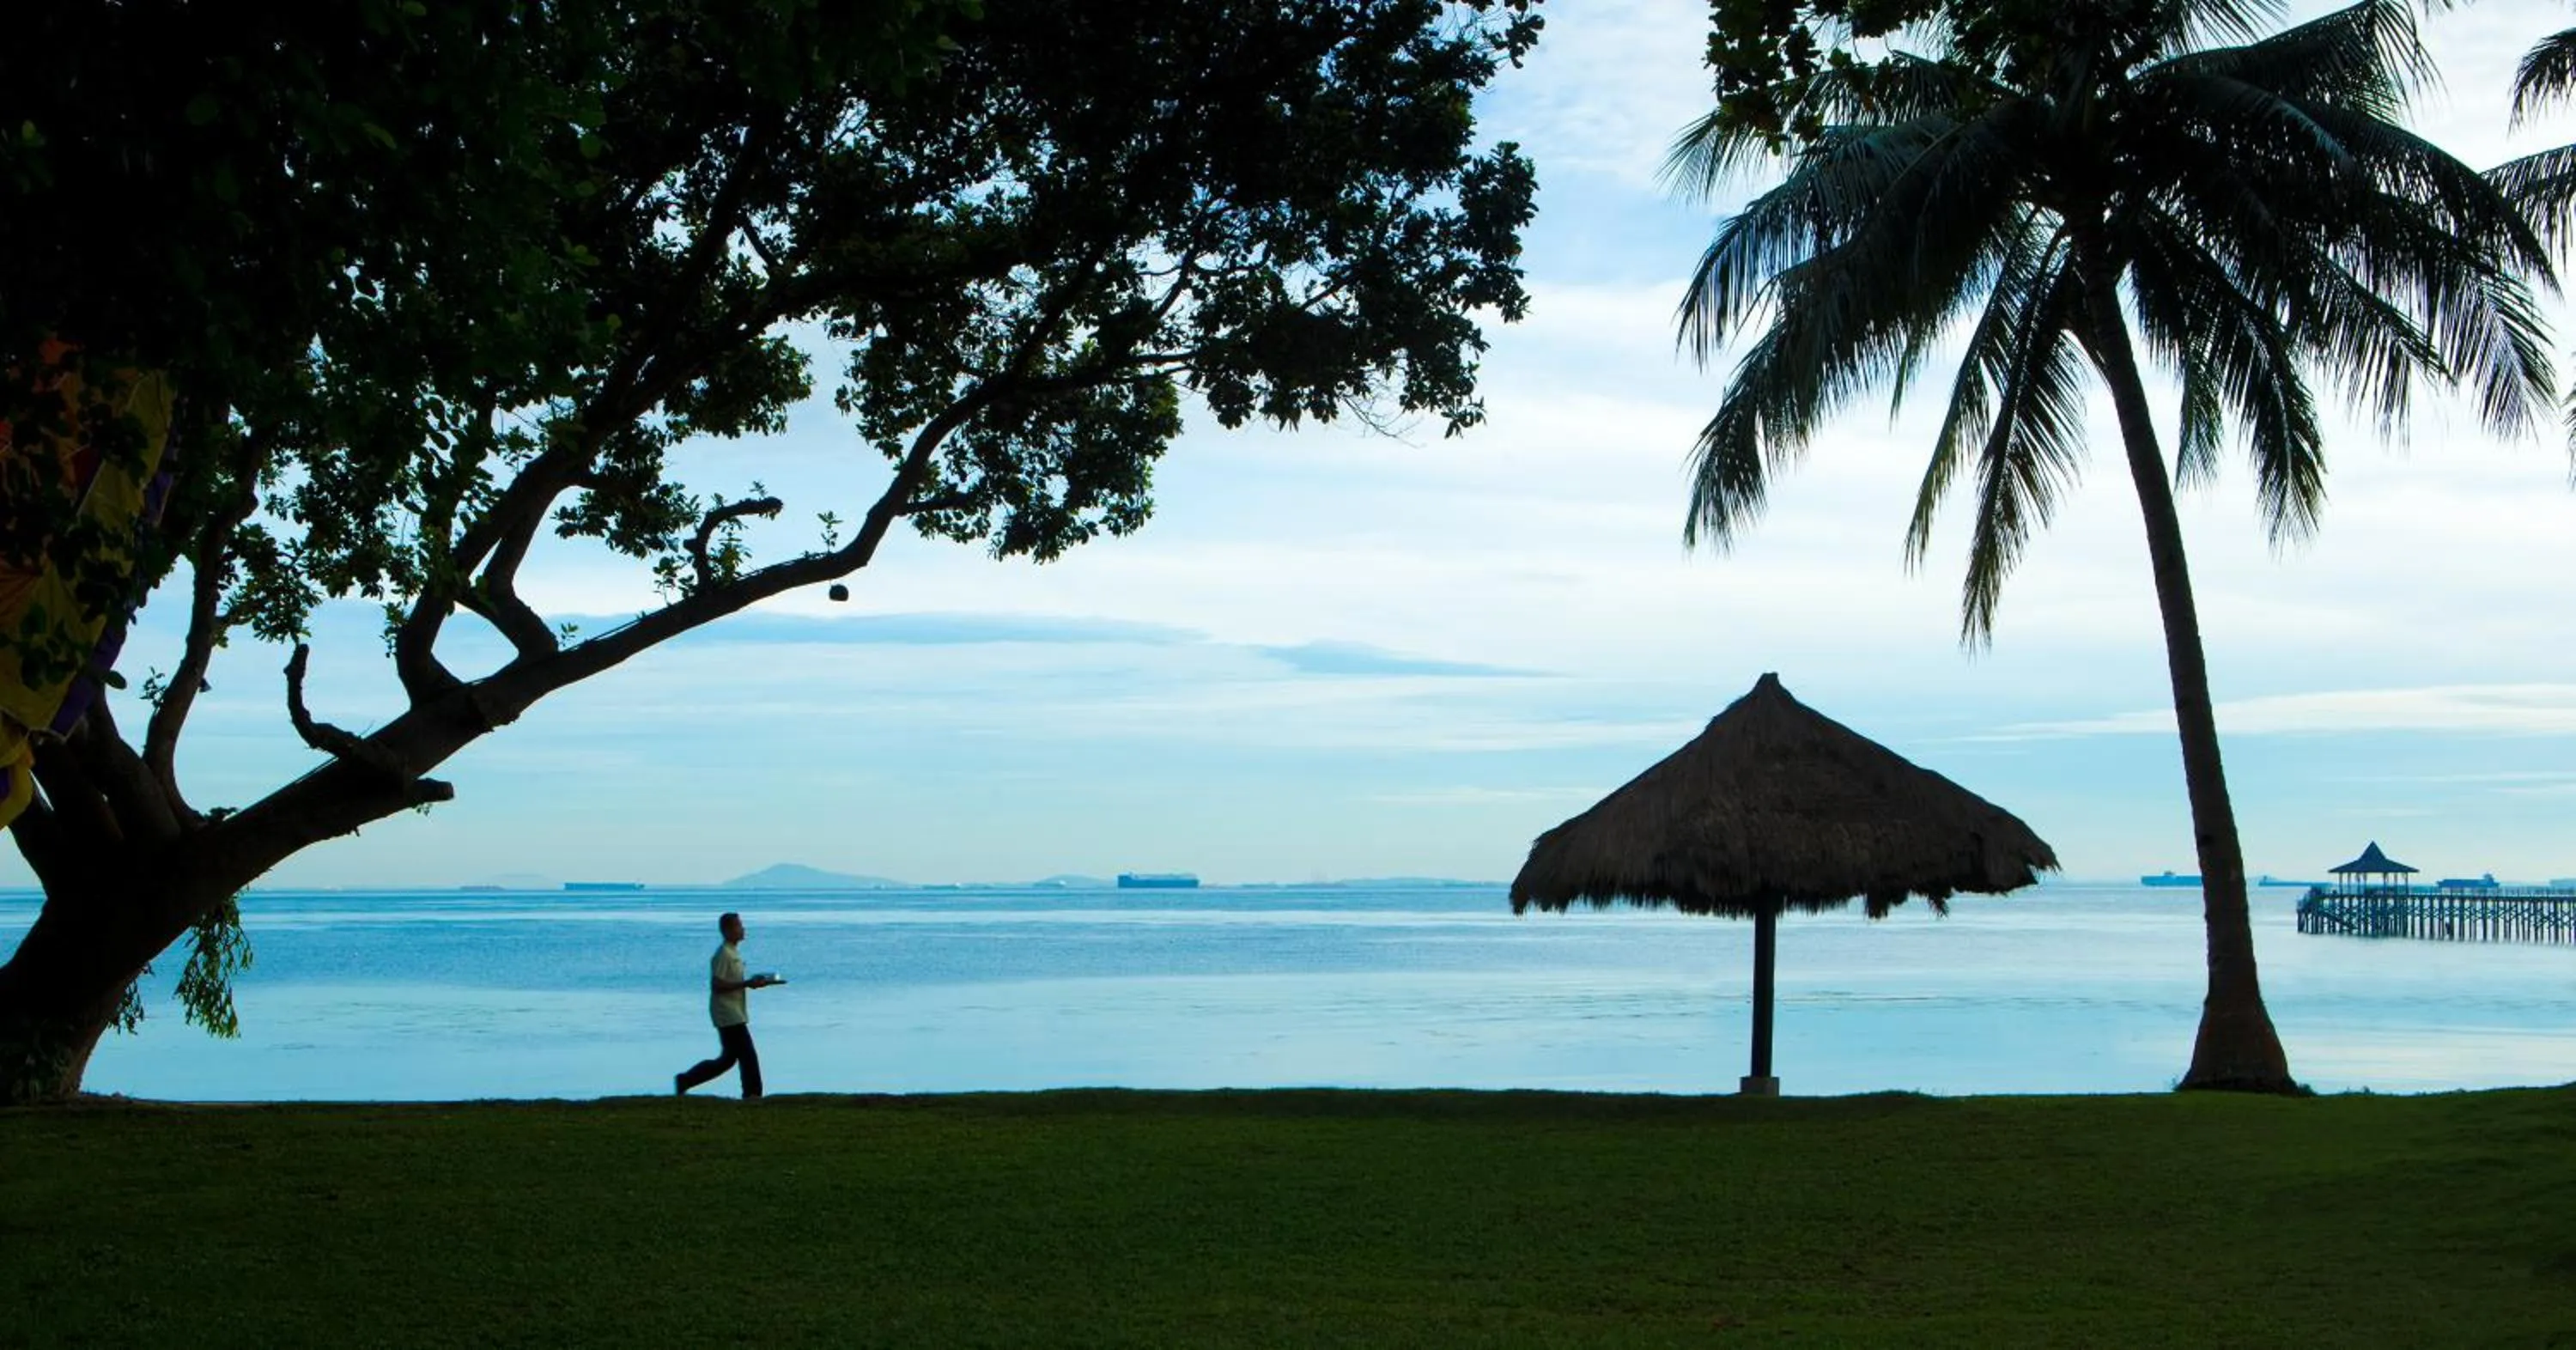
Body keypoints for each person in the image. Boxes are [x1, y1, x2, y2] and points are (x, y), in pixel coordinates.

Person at [675, 912, 778, 1098]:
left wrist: (752, 983)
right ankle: (753, 1094)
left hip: (735, 1011)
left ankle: (686, 1080)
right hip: (727, 1013)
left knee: (727, 1060)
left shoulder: (733, 953)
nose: (743, 929)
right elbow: (717, 985)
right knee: (748, 1056)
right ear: (728, 930)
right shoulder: (723, 954)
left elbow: (732, 982)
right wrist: (746, 984)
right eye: (739, 926)